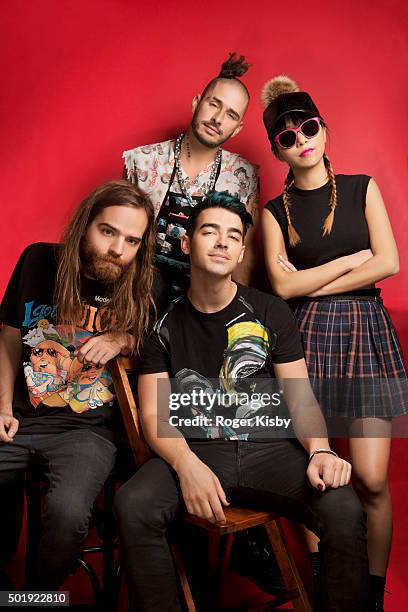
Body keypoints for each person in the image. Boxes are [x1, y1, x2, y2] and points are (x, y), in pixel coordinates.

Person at [114, 192, 369, 612]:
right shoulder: (161, 324)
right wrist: (187, 466)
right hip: (199, 450)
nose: (221, 242)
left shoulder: (270, 311)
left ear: (240, 253)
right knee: (134, 503)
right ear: (186, 243)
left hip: (271, 450)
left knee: (343, 508)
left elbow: (300, 400)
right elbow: (155, 417)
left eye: (233, 236)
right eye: (209, 231)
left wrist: (320, 450)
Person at [261, 75, 408, 611]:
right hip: (306, 341)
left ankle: (369, 594)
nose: (301, 139)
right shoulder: (273, 215)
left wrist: (315, 274)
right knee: (315, 474)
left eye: (309, 127)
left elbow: (389, 263)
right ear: (277, 146)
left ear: (324, 129)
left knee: (370, 478)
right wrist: (352, 262)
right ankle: (328, 590)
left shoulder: (363, 187)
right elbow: (281, 288)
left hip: (365, 334)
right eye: (287, 135)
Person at [0, 180, 157, 590]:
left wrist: (122, 339)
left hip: (86, 433)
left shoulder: (146, 287)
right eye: (108, 231)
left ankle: (36, 599)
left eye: (132, 240)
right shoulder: (38, 260)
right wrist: (1, 407)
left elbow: (169, 343)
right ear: (85, 224)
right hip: (19, 418)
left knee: (69, 517)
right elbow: (10, 338)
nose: (118, 250)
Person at [122, 52, 259, 294]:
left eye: (231, 115)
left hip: (205, 299)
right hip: (140, 293)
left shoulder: (243, 175)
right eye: (213, 104)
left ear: (237, 129)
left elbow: (244, 253)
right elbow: (121, 234)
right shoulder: (141, 161)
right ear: (197, 102)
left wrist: (234, 314)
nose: (217, 119)